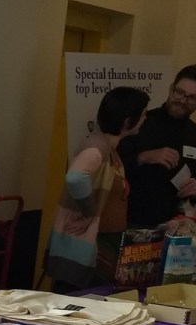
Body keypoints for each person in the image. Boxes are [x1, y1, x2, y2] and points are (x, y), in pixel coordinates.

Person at [46, 86, 150, 292]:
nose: (145, 118)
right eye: (143, 114)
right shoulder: (98, 147)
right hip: (85, 246)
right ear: (128, 121)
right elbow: (75, 177)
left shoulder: (108, 149)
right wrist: (88, 212)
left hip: (100, 244)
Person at [117, 64, 196, 227]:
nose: (183, 101)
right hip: (129, 222)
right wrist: (143, 157)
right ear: (171, 89)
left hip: (174, 226)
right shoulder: (141, 122)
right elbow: (111, 169)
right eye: (180, 93)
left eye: (192, 98)